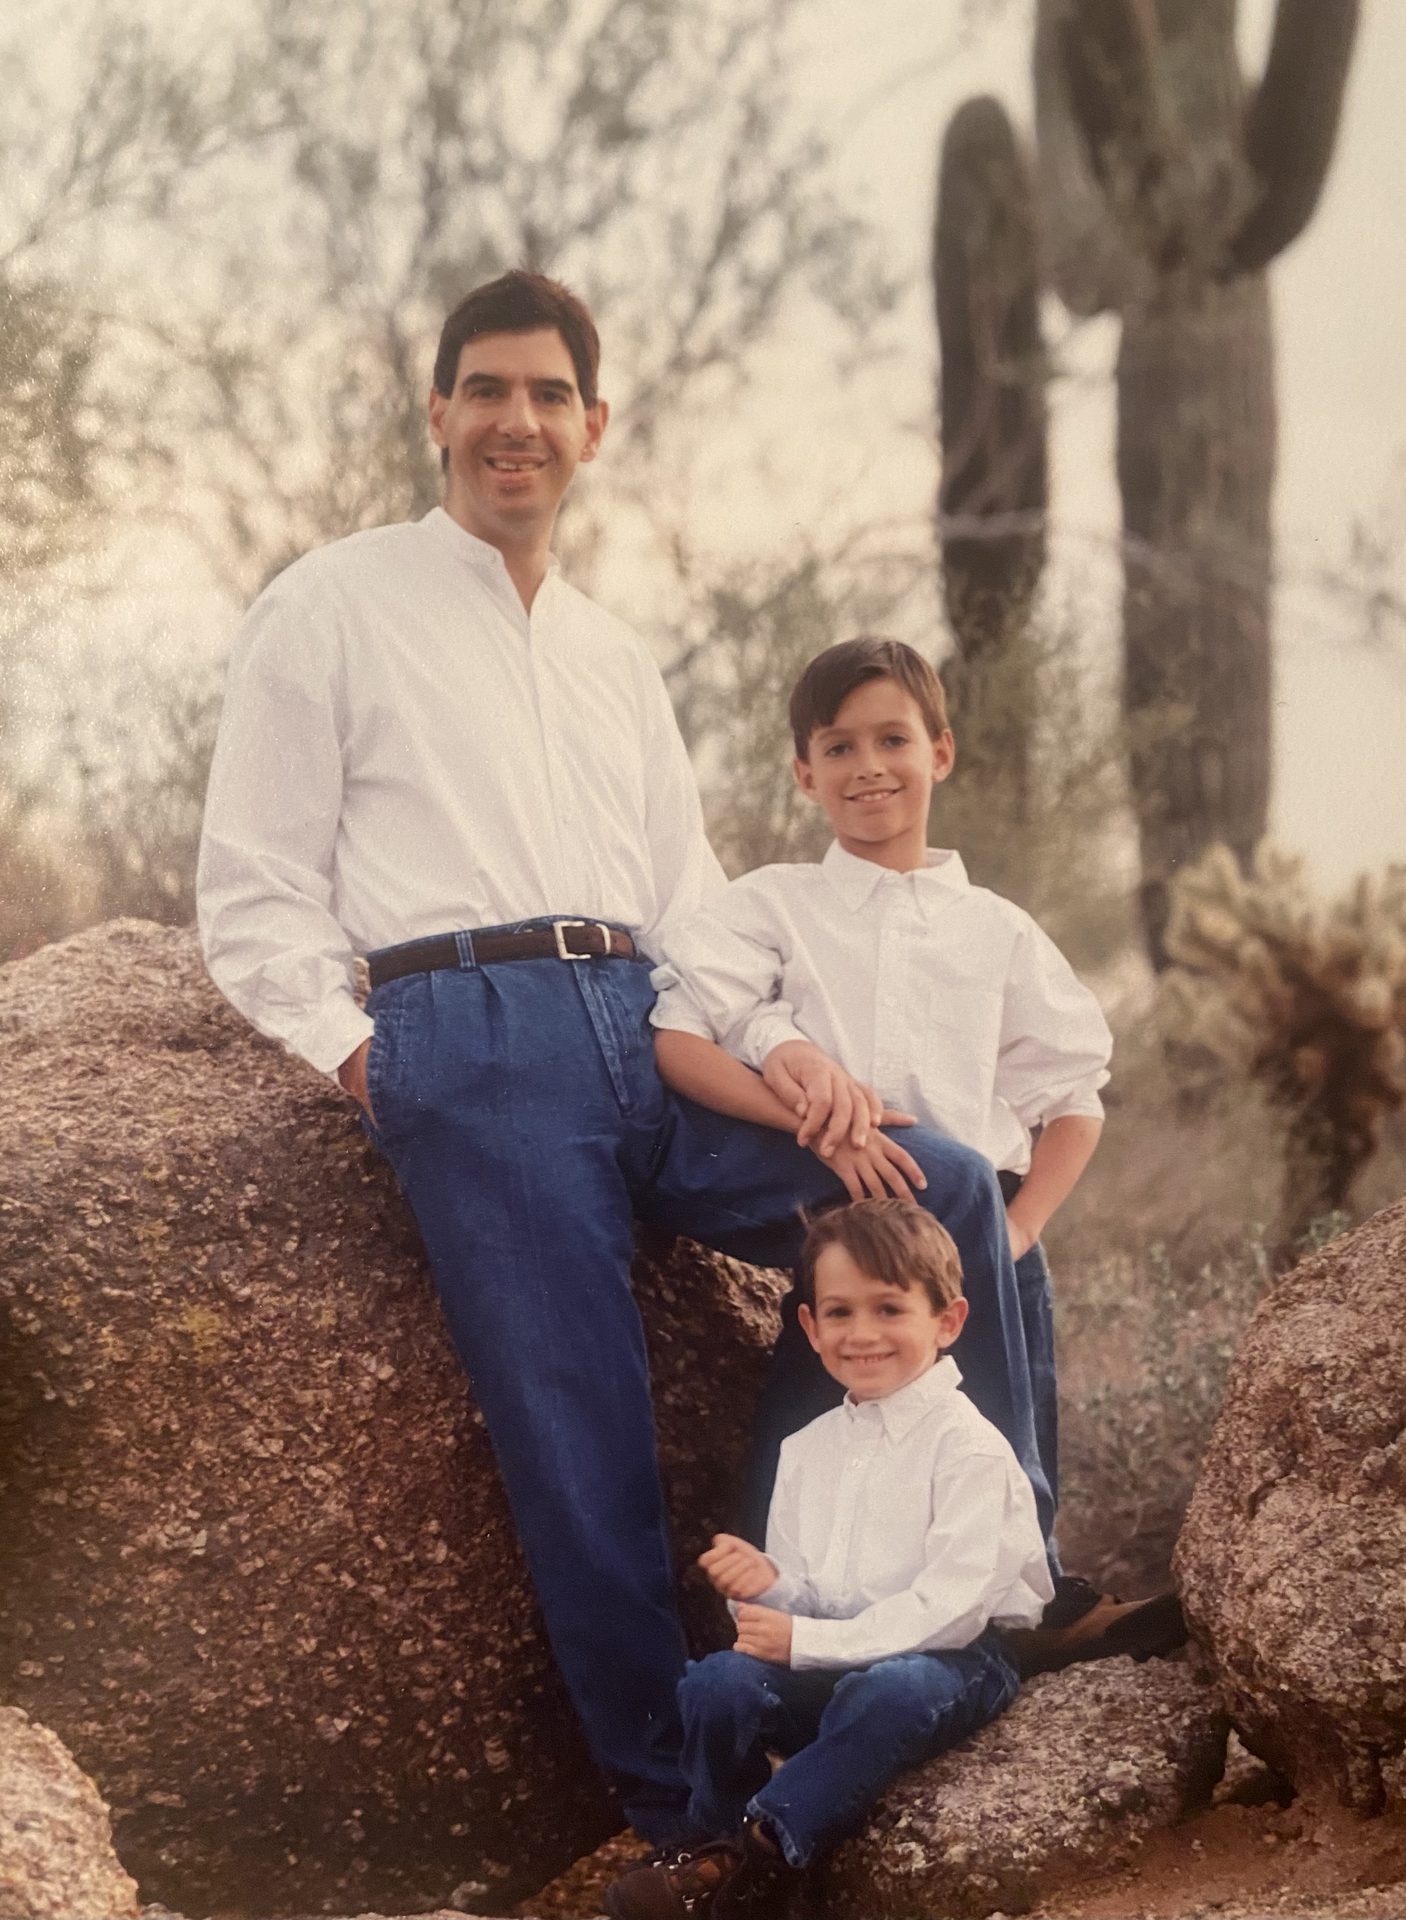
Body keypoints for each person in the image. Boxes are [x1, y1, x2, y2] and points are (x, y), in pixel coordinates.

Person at [197, 270, 1043, 1847]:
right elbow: (250, 887)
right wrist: (371, 1063)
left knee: (929, 1184)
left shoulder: (607, 651)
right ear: (438, 411)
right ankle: (685, 1810)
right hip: (469, 1039)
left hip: (645, 1024)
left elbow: (689, 901)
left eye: (547, 394)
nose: (514, 421)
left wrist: (783, 1048)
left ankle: (964, 1604)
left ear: (594, 424)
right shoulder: (333, 602)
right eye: (485, 389)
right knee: (578, 1430)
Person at [650, 635, 1185, 1672]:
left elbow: (1073, 1096)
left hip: (970, 1221)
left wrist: (1017, 1229)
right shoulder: (774, 904)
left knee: (1002, 1294)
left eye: (892, 740)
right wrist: (808, 1117)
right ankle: (785, 1643)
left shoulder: (995, 930)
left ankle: (1026, 1589)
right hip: (847, 1220)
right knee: (817, 1429)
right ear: (803, 772)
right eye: (838, 747)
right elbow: (679, 1039)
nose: (868, 767)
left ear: (940, 752)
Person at [605, 1200, 1048, 1920]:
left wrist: (806, 1640)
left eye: (889, 1308)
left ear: (947, 1321)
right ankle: (712, 1846)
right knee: (717, 1682)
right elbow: (816, 1594)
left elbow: (953, 1610)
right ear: (810, 1327)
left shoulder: (969, 1449)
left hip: (955, 1661)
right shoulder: (806, 1449)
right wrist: (774, 1585)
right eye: (839, 1312)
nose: (862, 1334)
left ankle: (763, 1852)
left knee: (892, 1690)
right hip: (839, 1658)